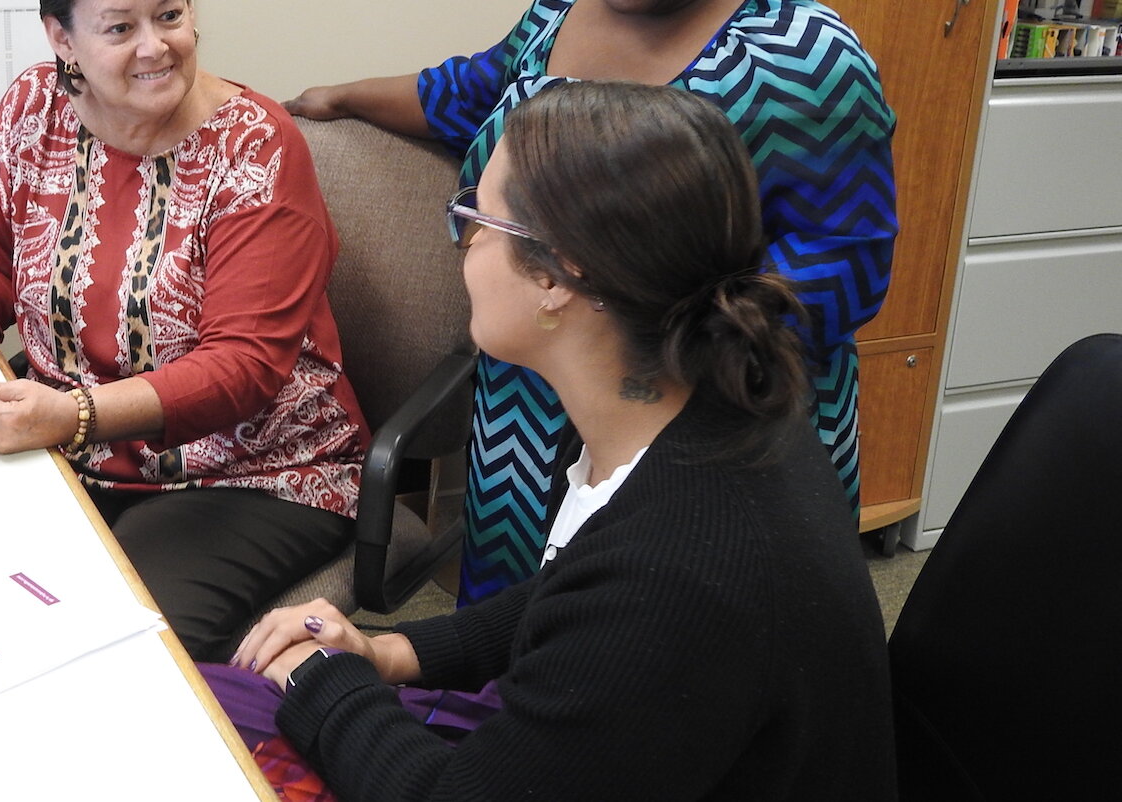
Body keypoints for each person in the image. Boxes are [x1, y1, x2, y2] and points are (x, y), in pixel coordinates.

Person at [288, 0, 898, 605]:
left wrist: (648, 358)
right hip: (528, 416)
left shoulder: (804, 59)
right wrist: (342, 95)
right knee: (514, 653)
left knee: (652, 668)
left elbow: (849, 263)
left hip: (699, 433)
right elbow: (478, 88)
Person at [205, 79, 898, 802]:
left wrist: (323, 680)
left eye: (476, 218)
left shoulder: (681, 569)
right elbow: (576, 585)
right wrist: (393, 650)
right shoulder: (705, 405)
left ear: (563, 275)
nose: (464, 242)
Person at [0, 0, 369, 661]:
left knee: (120, 652)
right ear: (63, 39)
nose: (156, 48)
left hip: (253, 471)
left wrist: (73, 415)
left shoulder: (255, 150)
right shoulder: (32, 109)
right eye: (120, 29)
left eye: (171, 14)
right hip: (71, 452)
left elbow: (243, 369)